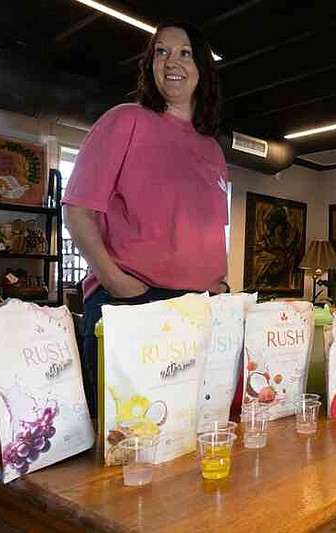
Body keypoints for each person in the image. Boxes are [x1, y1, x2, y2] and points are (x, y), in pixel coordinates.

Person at [62, 21, 229, 418]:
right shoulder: (125, 120)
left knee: (190, 442)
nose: (172, 60)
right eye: (161, 51)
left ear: (202, 68)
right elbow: (78, 208)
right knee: (125, 449)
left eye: (185, 52)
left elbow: (210, 232)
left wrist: (219, 286)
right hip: (134, 302)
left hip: (201, 311)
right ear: (150, 65)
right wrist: (115, 280)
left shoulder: (212, 150)